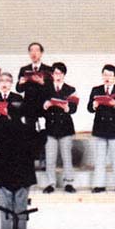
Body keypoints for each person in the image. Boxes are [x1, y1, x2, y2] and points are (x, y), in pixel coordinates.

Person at [0, 80, 46, 229]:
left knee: (5, 212)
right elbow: (38, 146)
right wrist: (42, 128)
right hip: (23, 175)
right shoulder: (28, 129)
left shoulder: (0, 126)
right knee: (21, 212)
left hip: (3, 174)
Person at [88, 64, 115, 194]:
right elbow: (89, 108)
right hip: (100, 127)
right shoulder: (96, 90)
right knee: (100, 159)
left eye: (110, 75)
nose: (107, 78)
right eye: (105, 75)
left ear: (114, 77)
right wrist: (94, 105)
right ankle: (99, 185)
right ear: (102, 75)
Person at [41, 62, 77, 194]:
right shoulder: (45, 89)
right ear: (52, 75)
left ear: (64, 75)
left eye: (60, 73)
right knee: (50, 158)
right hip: (50, 126)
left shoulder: (71, 89)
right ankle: (50, 183)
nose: (58, 76)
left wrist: (66, 107)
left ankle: (69, 183)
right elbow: (40, 107)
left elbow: (73, 108)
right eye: (55, 73)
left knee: (67, 157)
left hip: (65, 127)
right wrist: (45, 105)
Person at [0, 72, 26, 194]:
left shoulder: (17, 98)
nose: (4, 83)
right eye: (2, 81)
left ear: (11, 83)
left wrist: (9, 111)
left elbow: (21, 114)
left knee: (13, 157)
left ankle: (12, 182)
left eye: (7, 81)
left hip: (13, 132)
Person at [16, 42, 53, 170]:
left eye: (36, 50)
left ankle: (43, 160)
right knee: (29, 134)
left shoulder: (48, 69)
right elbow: (19, 89)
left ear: (41, 53)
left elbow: (52, 90)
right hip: (29, 107)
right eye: (31, 50)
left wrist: (42, 82)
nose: (34, 53)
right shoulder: (24, 69)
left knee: (43, 134)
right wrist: (21, 83)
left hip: (43, 108)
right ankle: (30, 161)